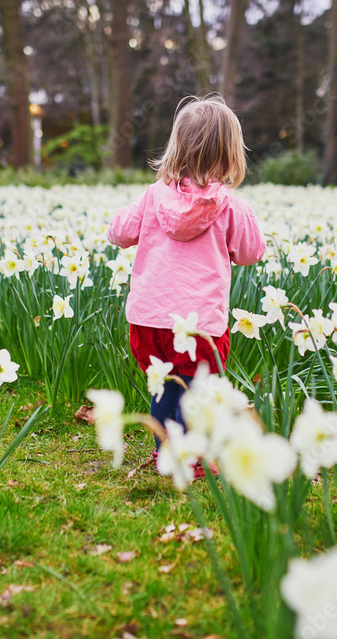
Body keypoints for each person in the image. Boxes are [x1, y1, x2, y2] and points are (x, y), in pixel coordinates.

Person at [105, 94, 266, 466]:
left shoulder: (152, 197)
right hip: (199, 325)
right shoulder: (231, 205)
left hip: (149, 320)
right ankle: (188, 459)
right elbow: (251, 252)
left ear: (176, 148)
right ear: (230, 155)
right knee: (196, 390)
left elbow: (117, 232)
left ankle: (165, 450)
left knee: (165, 382)